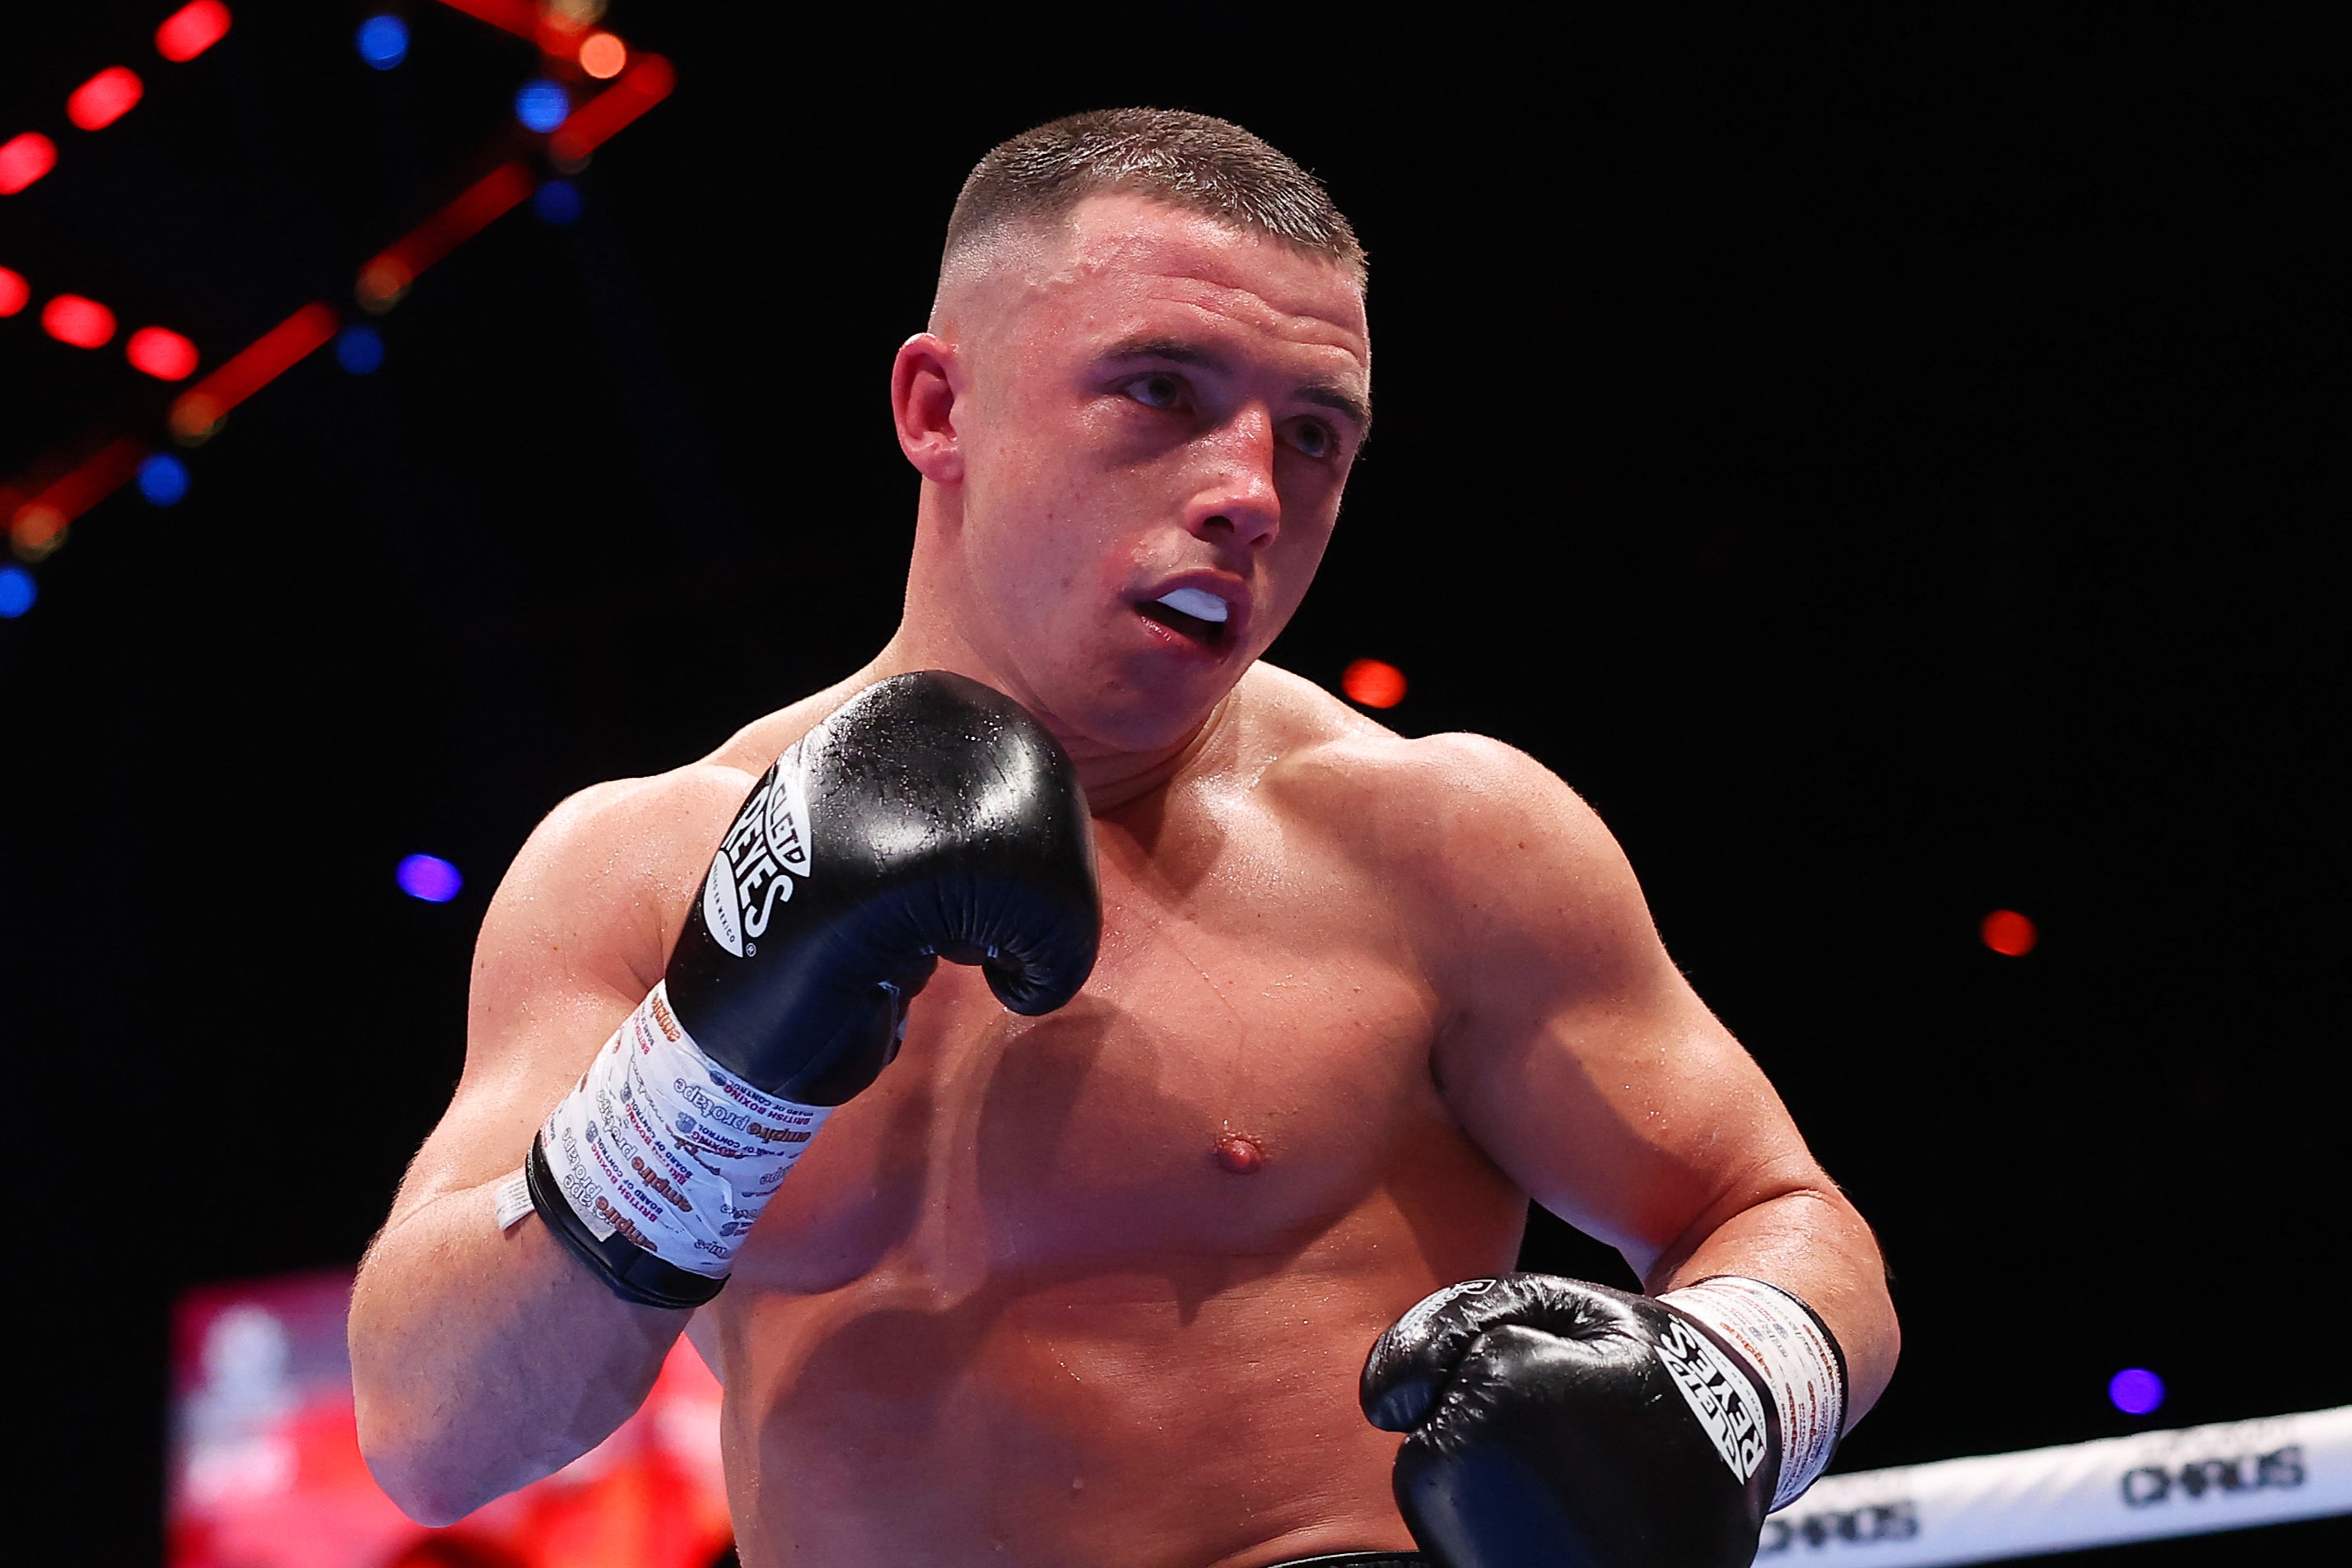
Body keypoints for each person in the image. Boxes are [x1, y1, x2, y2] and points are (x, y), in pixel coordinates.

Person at [349, 109, 1898, 1568]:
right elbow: (431, 1432)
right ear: (937, 408)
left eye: (1311, 436)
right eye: (1160, 390)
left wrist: (1724, 1383)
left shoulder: (1435, 839)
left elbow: (1786, 1217)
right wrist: (720, 1058)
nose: (1247, 493)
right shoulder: (644, 867)